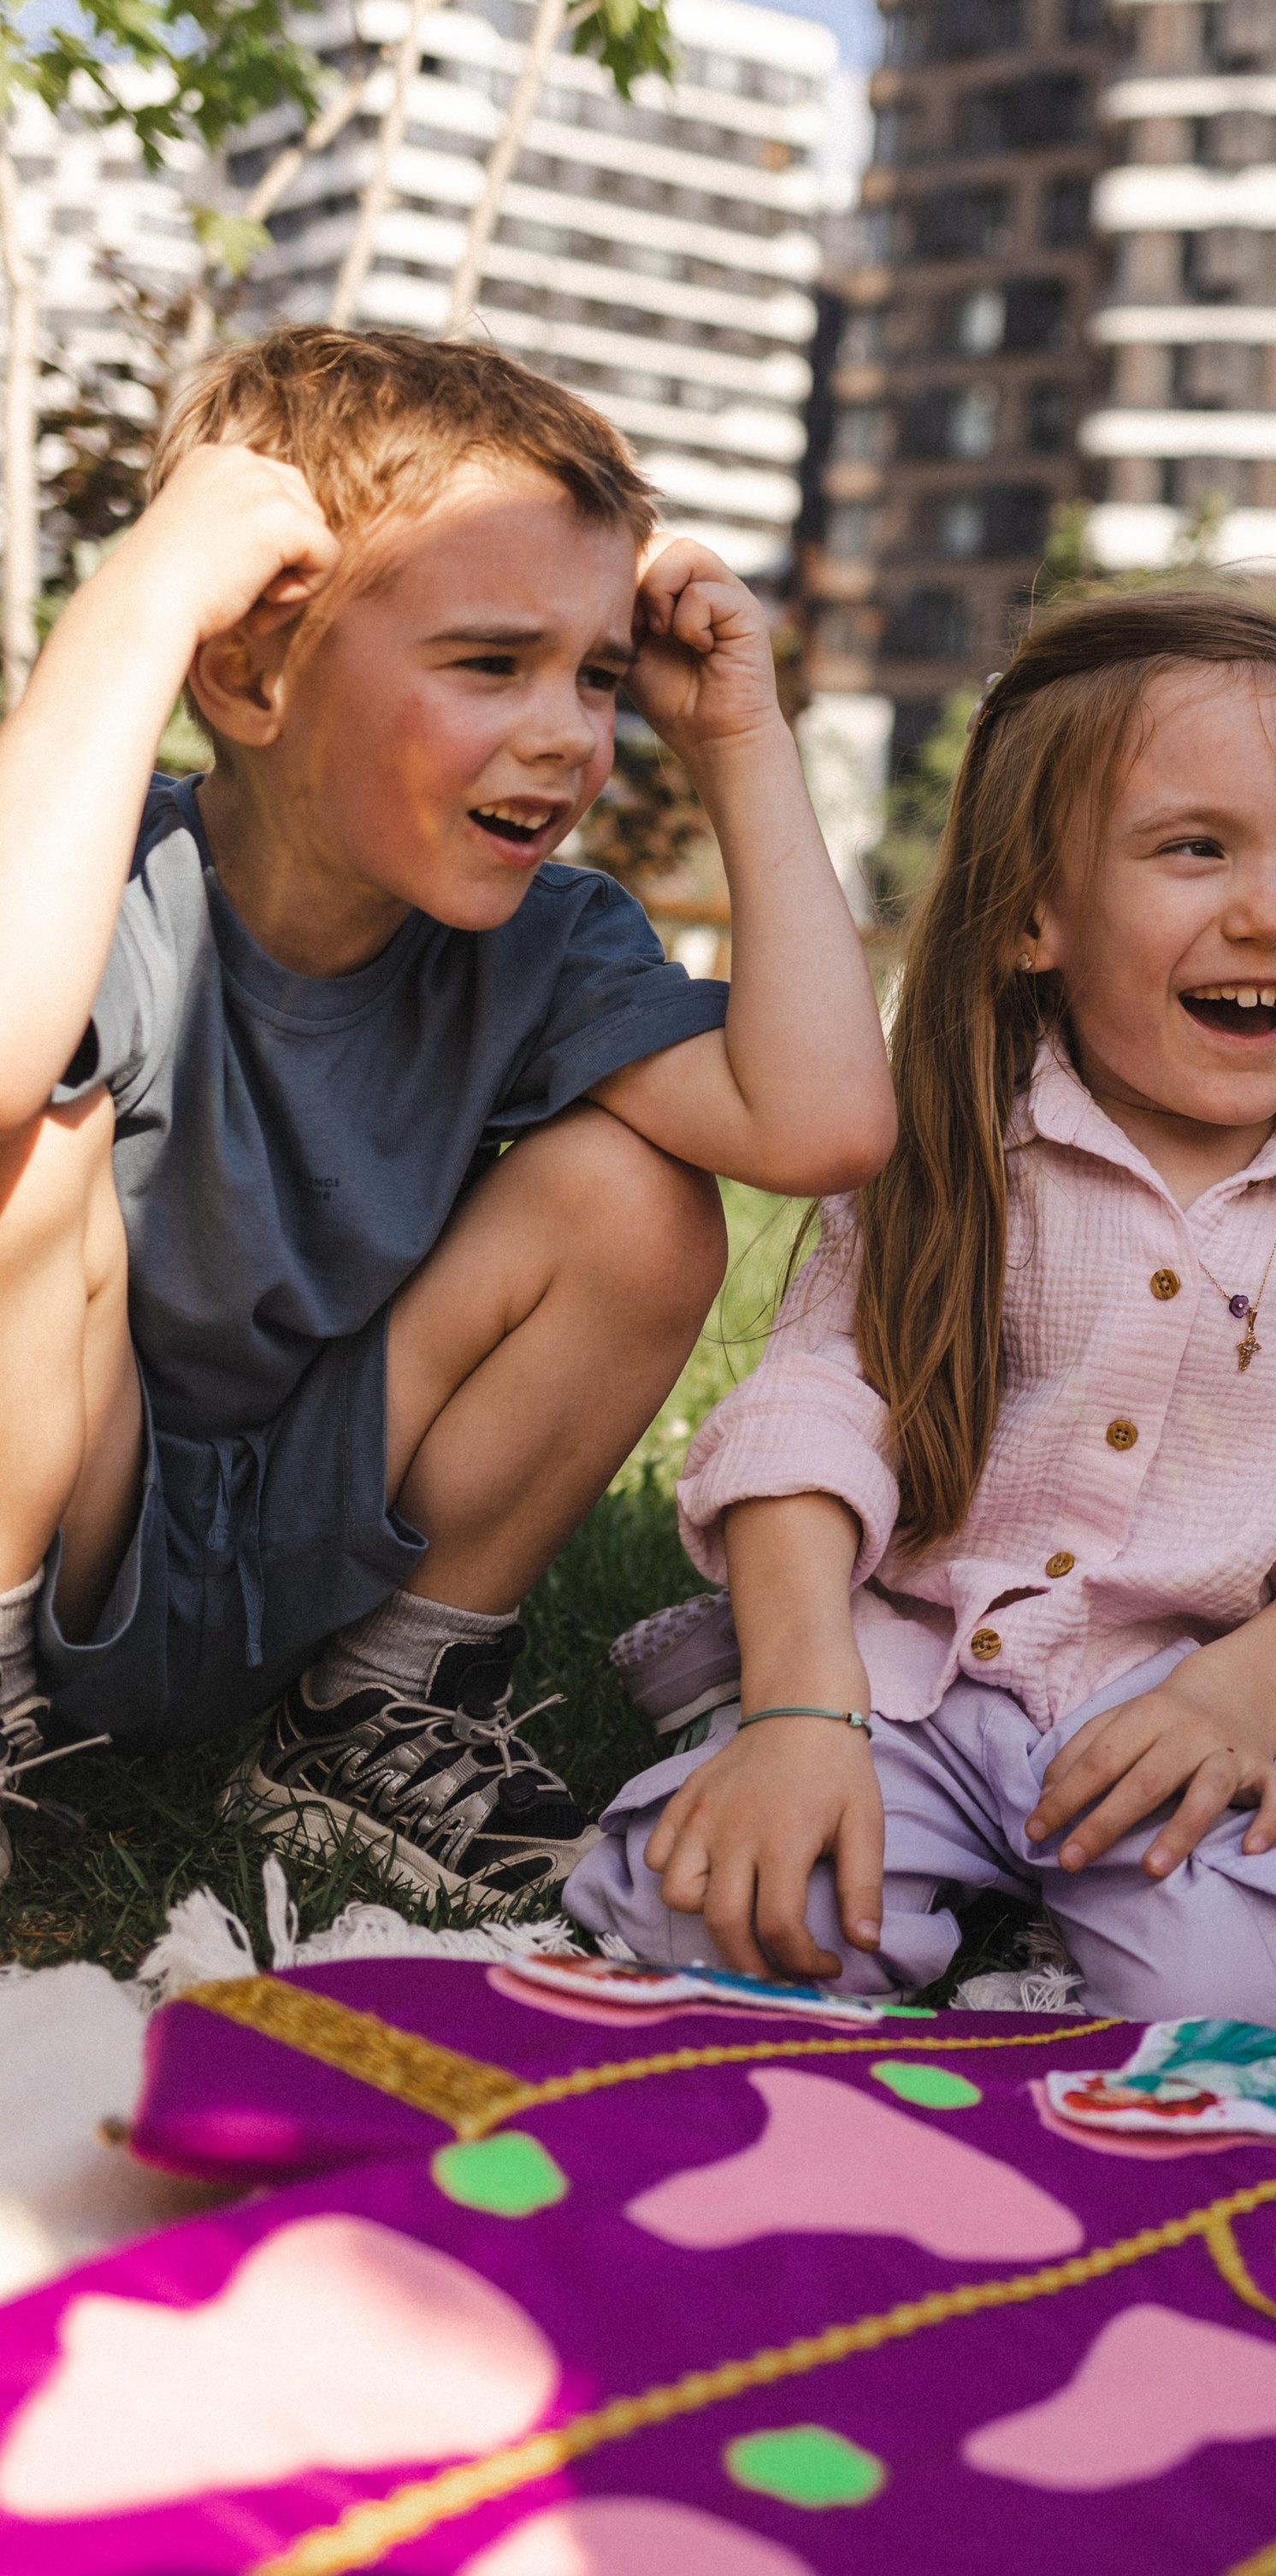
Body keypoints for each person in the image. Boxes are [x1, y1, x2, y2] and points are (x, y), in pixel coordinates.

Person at [569, 586, 1276, 2061]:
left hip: (1197, 1692)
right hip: (916, 1665)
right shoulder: (948, 1137)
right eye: (1195, 848)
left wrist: (1241, 1701)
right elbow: (816, 1411)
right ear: (1036, 913)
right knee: (717, 1924)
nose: (1270, 909)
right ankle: (918, 1845)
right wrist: (801, 1707)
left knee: (1257, 2025)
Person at [0, 327, 895, 1903]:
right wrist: (136, 602)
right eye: (493, 663)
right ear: (249, 671)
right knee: (29, 1150)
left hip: (318, 1527)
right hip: (68, 1505)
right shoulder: (93, 882)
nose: (569, 735)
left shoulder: (545, 942)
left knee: (640, 1192)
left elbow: (819, 1126)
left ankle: (377, 1712)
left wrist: (745, 740)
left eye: (599, 674)